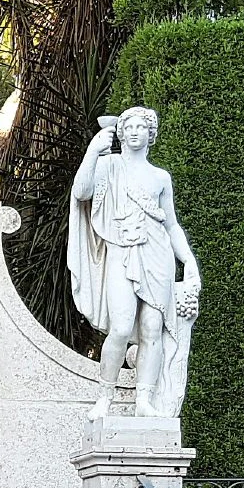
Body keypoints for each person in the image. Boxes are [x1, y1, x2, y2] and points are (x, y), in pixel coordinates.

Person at [68, 106, 202, 419]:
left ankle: (144, 399)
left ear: (150, 134)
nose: (134, 132)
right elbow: (81, 191)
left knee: (152, 329)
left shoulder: (160, 178)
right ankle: (105, 396)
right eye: (129, 126)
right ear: (121, 132)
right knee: (121, 327)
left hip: (156, 256)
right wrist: (93, 150)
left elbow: (171, 226)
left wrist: (189, 261)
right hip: (121, 251)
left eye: (142, 127)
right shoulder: (108, 165)